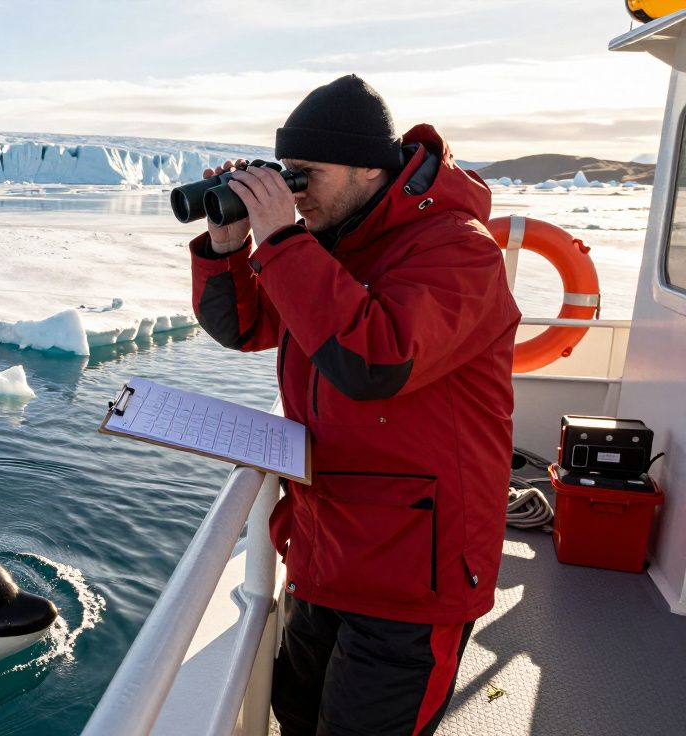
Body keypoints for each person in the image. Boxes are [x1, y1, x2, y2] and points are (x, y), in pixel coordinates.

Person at [189, 74, 521, 735]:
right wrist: (232, 248)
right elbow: (247, 328)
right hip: (326, 547)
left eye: (306, 175)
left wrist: (282, 238)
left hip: (412, 576)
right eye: (290, 175)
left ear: (370, 167)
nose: (294, 192)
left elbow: (375, 360)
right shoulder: (337, 241)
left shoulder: (456, 249)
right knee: (298, 714)